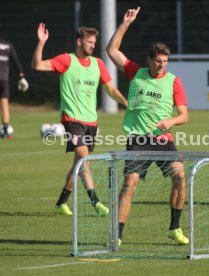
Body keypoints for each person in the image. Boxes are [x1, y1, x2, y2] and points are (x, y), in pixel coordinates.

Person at [106, 7, 189, 245]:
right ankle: (117, 236)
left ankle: (174, 228)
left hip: (163, 140)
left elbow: (184, 115)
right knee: (130, 183)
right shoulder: (136, 73)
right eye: (158, 61)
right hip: (139, 140)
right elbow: (111, 50)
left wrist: (171, 121)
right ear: (149, 61)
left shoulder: (174, 82)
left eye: (165, 61)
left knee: (180, 176)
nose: (162, 65)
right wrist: (125, 24)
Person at [32, 23, 127, 217]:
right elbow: (37, 65)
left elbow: (110, 89)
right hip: (71, 120)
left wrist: (126, 103)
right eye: (89, 42)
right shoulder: (66, 60)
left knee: (79, 163)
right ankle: (96, 202)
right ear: (79, 41)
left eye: (94, 42)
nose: (92, 45)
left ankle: (60, 203)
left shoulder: (98, 64)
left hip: (91, 122)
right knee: (84, 157)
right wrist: (41, 43)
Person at [0, 37, 29, 139]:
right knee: (4, 103)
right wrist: (21, 77)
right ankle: (6, 130)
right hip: (4, 80)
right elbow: (15, 61)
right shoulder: (8, 46)